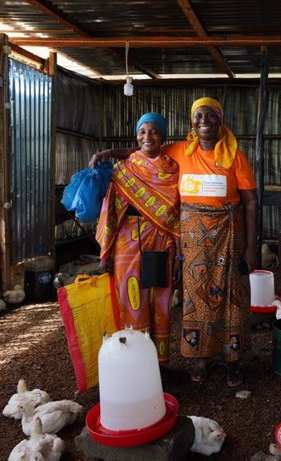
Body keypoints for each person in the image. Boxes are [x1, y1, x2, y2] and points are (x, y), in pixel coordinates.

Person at [91, 98, 258, 388]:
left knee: (232, 296)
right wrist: (110, 152)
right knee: (195, 296)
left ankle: (233, 361)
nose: (204, 120)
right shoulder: (181, 150)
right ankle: (200, 358)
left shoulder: (235, 156)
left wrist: (252, 247)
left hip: (229, 235)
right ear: (192, 122)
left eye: (210, 115)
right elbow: (144, 152)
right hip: (193, 238)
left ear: (220, 121)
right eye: (198, 116)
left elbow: (251, 202)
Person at [96, 112, 181, 370]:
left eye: (154, 131)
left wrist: (178, 254)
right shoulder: (124, 169)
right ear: (136, 136)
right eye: (142, 131)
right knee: (131, 298)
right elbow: (110, 210)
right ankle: (134, 365)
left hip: (161, 240)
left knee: (161, 300)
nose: (148, 136)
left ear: (163, 137)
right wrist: (106, 252)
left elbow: (178, 212)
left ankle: (160, 365)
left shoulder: (173, 169)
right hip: (127, 242)